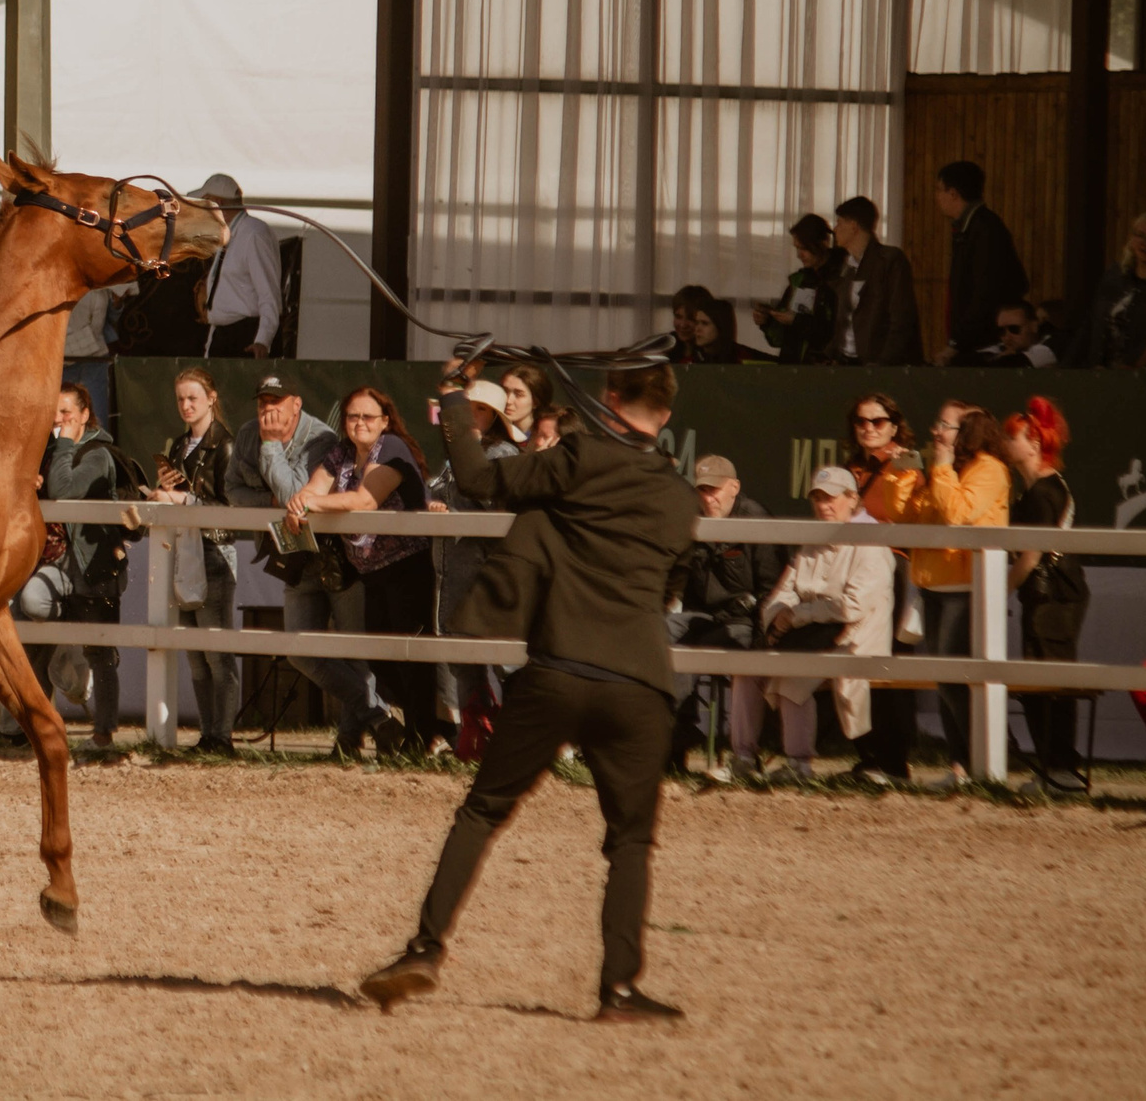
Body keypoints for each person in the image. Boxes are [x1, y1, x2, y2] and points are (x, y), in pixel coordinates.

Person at [357, 363, 699, 1023]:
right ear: (665, 414)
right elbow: (667, 588)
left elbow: (480, 479)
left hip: (559, 670)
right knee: (629, 841)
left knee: (483, 811)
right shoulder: (681, 497)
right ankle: (620, 990)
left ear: (610, 399)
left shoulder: (578, 459)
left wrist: (456, 395)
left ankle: (424, 949)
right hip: (639, 684)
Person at [225, 375, 376, 756]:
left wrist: (272, 447)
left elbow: (297, 496)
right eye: (262, 402)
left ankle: (349, 740)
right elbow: (232, 491)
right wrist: (275, 504)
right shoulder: (246, 434)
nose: (267, 410)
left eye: (276, 402)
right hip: (293, 557)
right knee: (300, 650)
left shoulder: (321, 439)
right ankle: (379, 714)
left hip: (338, 558)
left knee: (356, 653)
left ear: (297, 404)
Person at [723, 468, 891, 788]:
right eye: (817, 497)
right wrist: (780, 616)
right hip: (807, 636)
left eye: (830, 497)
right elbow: (783, 591)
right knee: (746, 669)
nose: (823, 504)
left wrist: (797, 615)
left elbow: (852, 607)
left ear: (852, 498)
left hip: (853, 638)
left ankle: (799, 764)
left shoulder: (872, 542)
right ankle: (743, 758)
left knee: (793, 674)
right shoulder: (813, 541)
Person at [296, 386, 436, 756]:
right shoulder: (340, 453)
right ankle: (426, 731)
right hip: (370, 573)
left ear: (385, 421)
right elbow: (313, 488)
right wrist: (303, 501)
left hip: (407, 568)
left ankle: (423, 739)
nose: (360, 423)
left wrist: (311, 503)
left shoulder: (390, 447)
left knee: (411, 658)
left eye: (368, 416)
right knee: (379, 660)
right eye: (353, 417)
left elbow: (364, 500)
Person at [7, 383, 129, 749]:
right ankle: (37, 730)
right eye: (54, 413)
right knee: (32, 617)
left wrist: (60, 449)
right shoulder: (45, 450)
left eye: (66, 413)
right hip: (53, 563)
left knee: (102, 653)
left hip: (94, 568)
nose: (59, 420)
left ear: (85, 415)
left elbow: (64, 487)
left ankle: (104, 735)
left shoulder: (99, 453)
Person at [912, 399, 1013, 790]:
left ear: (967, 432)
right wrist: (906, 480)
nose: (937, 431)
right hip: (935, 583)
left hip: (966, 587)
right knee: (945, 681)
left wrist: (939, 466)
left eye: (945, 425)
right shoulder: (953, 469)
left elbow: (958, 514)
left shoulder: (989, 469)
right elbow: (917, 516)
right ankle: (960, 767)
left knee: (959, 681)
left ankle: (982, 763)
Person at [668, 455, 783, 771]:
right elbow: (681, 580)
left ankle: (741, 753)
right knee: (660, 634)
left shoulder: (756, 520)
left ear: (735, 487)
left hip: (746, 622)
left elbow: (771, 589)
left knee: (728, 647)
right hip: (704, 616)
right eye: (702, 490)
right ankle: (671, 742)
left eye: (715, 489)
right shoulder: (691, 518)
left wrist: (764, 641)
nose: (708, 497)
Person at [1003, 397, 1090, 794]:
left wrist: (998, 589)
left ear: (1035, 444)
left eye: (1013, 437)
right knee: (1043, 682)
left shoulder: (1042, 493)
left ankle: (1061, 769)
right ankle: (1054, 767)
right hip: (1048, 597)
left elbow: (1031, 556)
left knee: (1050, 682)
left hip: (1052, 597)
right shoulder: (1040, 489)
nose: (1007, 444)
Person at [153, 366, 241, 752]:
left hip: (213, 551)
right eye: (180, 399)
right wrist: (162, 491)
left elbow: (231, 507)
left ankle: (222, 736)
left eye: (193, 398)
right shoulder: (178, 446)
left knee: (217, 653)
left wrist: (181, 499)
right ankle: (209, 734)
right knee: (196, 657)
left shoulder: (226, 445)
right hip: (181, 549)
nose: (186, 405)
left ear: (212, 398)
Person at [429, 378, 518, 758]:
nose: (471, 416)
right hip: (454, 572)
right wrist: (436, 504)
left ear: (495, 418)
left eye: (479, 409)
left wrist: (454, 512)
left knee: (495, 662)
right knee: (464, 661)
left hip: (486, 574)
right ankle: (475, 741)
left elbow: (497, 507)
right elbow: (436, 488)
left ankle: (501, 742)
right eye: (466, 408)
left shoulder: (502, 455)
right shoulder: (457, 456)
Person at [843, 392, 925, 788]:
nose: (868, 428)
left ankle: (894, 762)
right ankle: (869, 757)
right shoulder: (852, 466)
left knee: (891, 665)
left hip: (893, 569)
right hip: (853, 569)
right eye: (861, 421)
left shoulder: (908, 462)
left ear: (894, 425)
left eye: (877, 421)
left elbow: (907, 514)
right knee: (854, 659)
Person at [935, 161, 1028, 365]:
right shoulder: (968, 229)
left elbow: (984, 293)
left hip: (986, 346)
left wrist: (957, 342)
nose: (937, 197)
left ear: (953, 193)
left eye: (939, 190)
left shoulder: (985, 230)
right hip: (972, 341)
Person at [186, 173, 280, 358]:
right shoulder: (230, 234)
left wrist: (262, 340)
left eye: (206, 203)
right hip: (224, 335)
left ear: (218, 203)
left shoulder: (253, 233)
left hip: (246, 335)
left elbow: (268, 292)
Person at [829, 196, 925, 366]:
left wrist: (883, 362)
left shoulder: (890, 260)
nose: (835, 229)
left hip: (880, 365)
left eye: (840, 223)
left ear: (853, 226)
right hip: (849, 362)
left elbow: (901, 319)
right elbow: (844, 319)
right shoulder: (847, 267)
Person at [753, 214, 847, 363]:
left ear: (823, 243)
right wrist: (767, 322)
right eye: (797, 248)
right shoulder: (799, 281)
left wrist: (797, 321)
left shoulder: (840, 281)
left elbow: (835, 333)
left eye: (804, 248)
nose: (799, 255)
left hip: (824, 369)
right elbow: (778, 339)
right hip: (793, 366)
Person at [1071, 210, 1146, 367]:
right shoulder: (1115, 276)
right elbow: (1092, 321)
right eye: (1140, 235)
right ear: (1131, 238)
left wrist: (1133, 369)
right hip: (1101, 373)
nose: (1145, 243)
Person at [60, 285, 115, 439]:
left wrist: (117, 302)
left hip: (95, 360)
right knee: (63, 418)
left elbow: (113, 316)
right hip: (64, 358)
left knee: (96, 420)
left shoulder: (101, 289)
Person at [679, 294, 766, 364]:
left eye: (704, 323)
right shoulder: (688, 364)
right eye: (697, 323)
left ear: (721, 325)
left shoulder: (744, 359)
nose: (697, 329)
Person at [979, 299, 1061, 368]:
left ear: (1034, 326)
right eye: (1001, 331)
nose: (1006, 337)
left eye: (1014, 329)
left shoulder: (1048, 347)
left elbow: (1011, 363)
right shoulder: (1001, 347)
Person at [496, 363, 553, 446]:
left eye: (518, 394)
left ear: (536, 402)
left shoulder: (546, 439)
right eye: (504, 391)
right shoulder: (489, 431)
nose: (508, 400)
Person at [662, 285, 717, 360]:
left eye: (691, 319)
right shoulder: (666, 347)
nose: (683, 325)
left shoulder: (713, 354)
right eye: (678, 316)